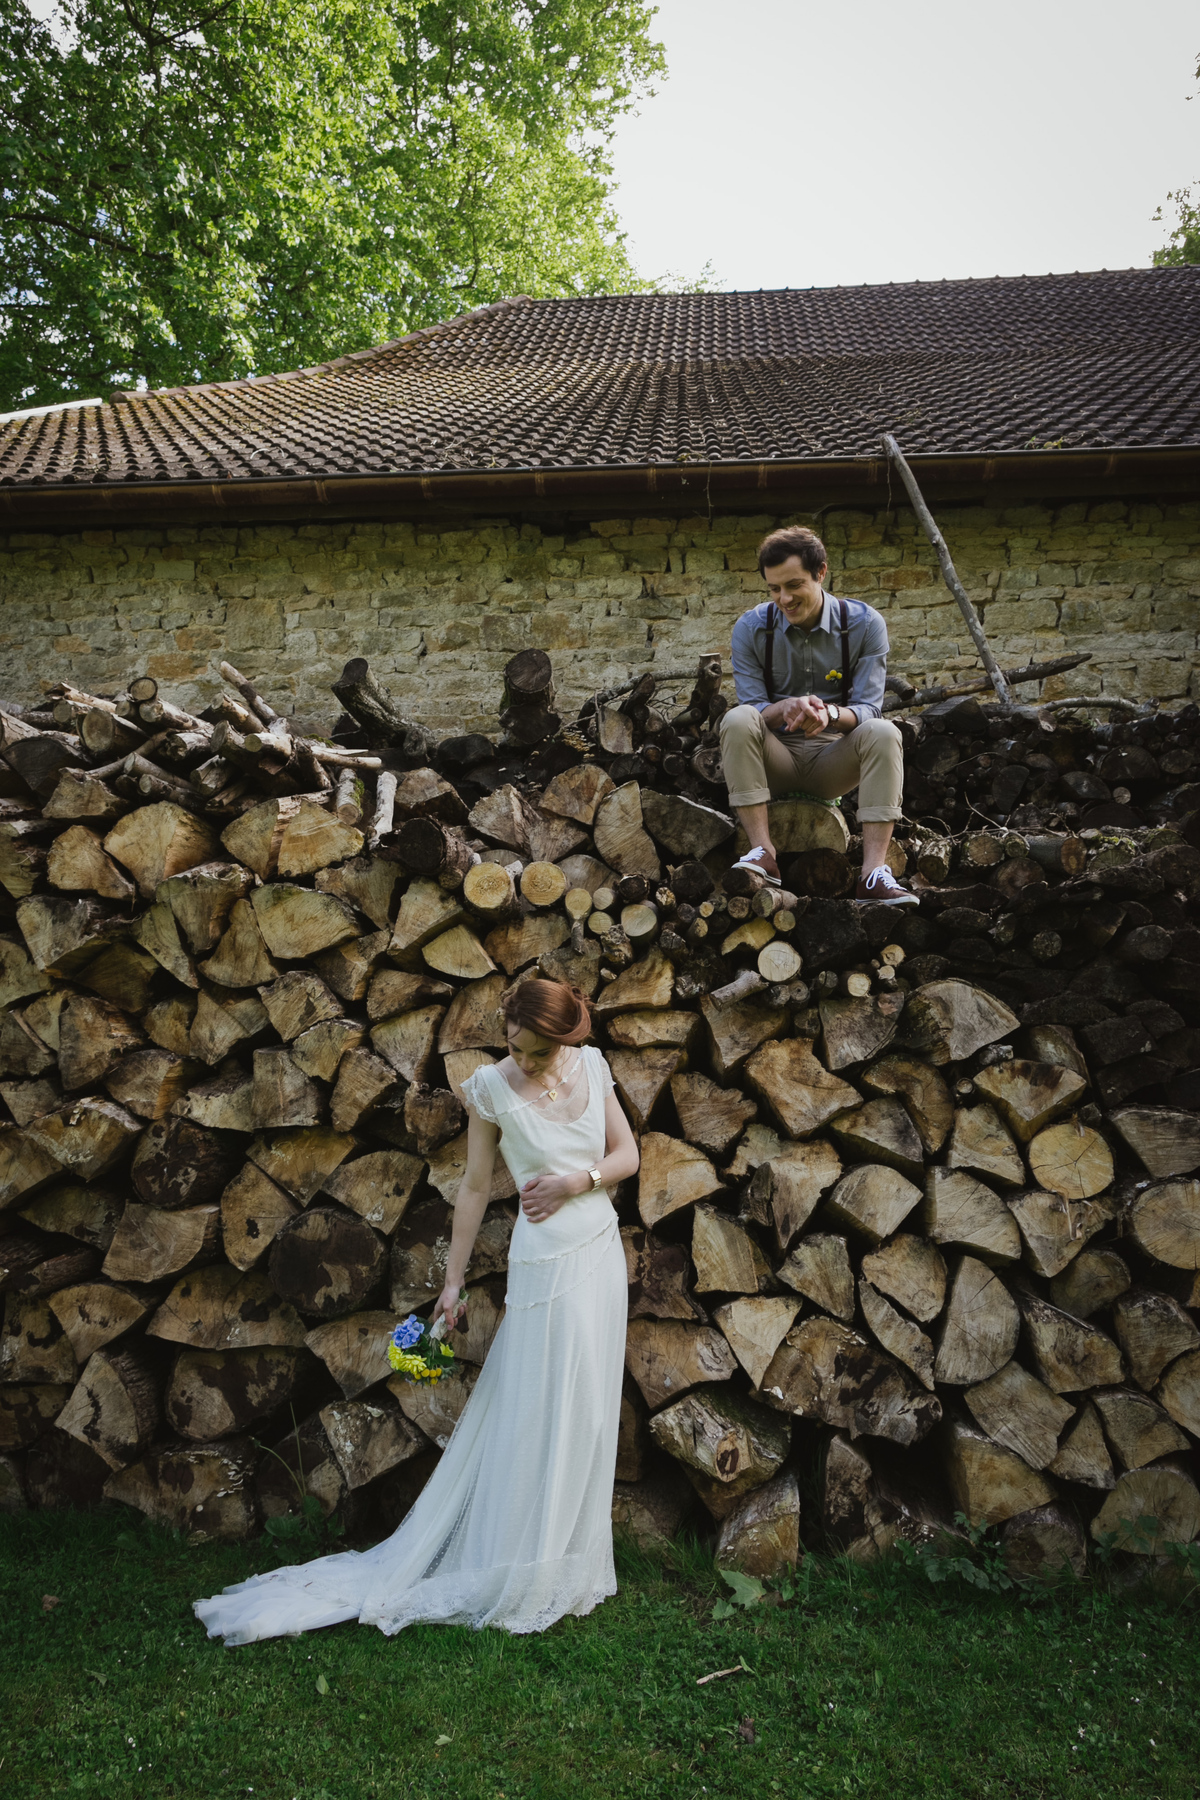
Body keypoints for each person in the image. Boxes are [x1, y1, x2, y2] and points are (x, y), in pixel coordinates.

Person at [194, 976, 639, 1646]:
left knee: (589, 1405)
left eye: (542, 1052)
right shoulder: (490, 1088)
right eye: (518, 1046)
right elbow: (473, 1187)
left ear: (566, 1038)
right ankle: (518, 1559)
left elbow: (627, 1154)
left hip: (599, 1254)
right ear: (505, 1027)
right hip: (543, 1263)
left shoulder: (593, 1065)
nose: (529, 1061)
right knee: (536, 1406)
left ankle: (570, 1561)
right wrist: (452, 1283)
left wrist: (581, 1180)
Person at [720, 525, 917, 905]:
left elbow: (868, 708)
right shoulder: (750, 628)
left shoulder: (864, 624)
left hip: (834, 762)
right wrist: (785, 707)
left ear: (821, 572)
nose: (784, 598)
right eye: (774, 589)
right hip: (774, 761)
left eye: (793, 585)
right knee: (737, 718)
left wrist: (828, 713)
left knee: (884, 730)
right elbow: (753, 707)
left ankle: (873, 874)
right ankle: (763, 852)